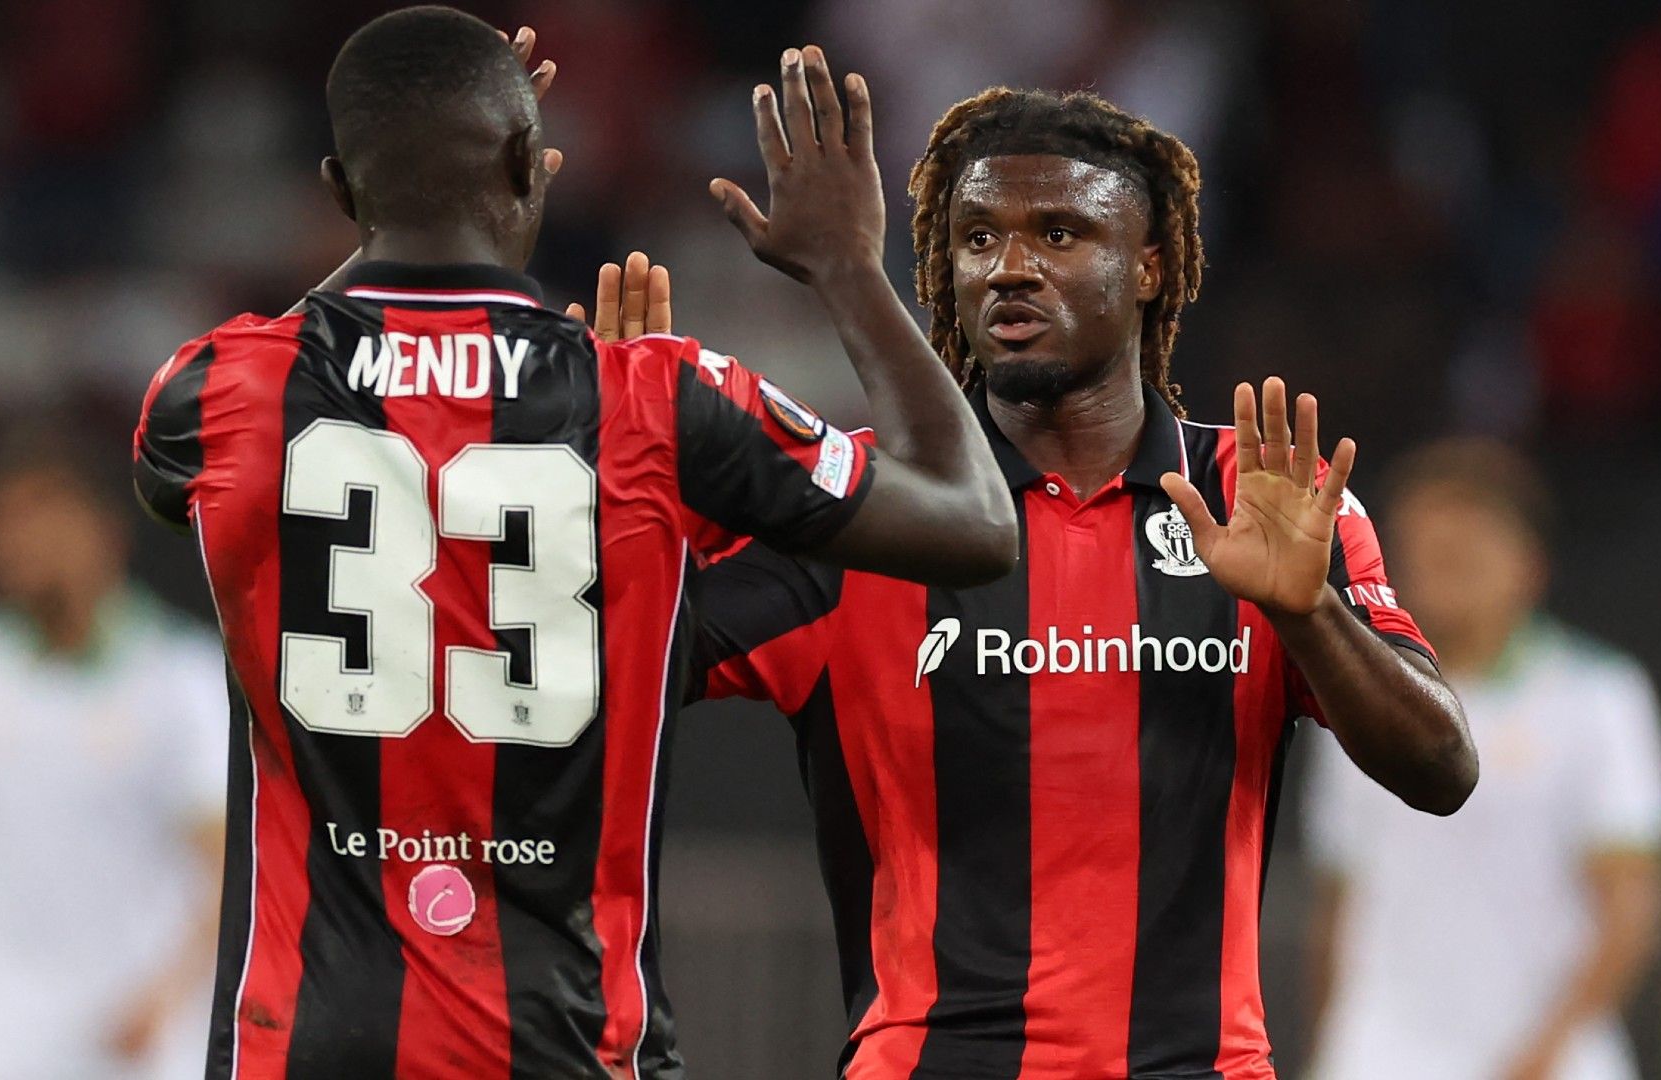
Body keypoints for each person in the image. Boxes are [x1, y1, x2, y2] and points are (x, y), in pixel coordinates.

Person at [131, 10, 1014, 1079]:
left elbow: (202, 439)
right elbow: (974, 522)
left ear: (337, 188)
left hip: (303, 1044)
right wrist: (848, 270)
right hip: (572, 1046)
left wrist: (382, 212)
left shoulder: (221, 389)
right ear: (525, 162)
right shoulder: (655, 397)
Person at [685, 87, 1478, 1078]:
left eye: (1058, 233)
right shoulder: (858, 506)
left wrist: (1306, 607)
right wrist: (631, 488)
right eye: (976, 237)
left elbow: (1442, 770)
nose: (1008, 266)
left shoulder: (1255, 494)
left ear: (1149, 267)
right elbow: (614, 661)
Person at [1303, 439, 1661, 1080]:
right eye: (1426, 553)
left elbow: (1630, 908)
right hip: (1381, 1056)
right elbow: (1340, 902)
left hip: (1550, 1060)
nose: (1442, 571)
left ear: (1528, 566)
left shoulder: (1599, 697)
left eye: (1466, 554)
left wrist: (1544, 1054)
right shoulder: (1348, 699)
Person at [0, 426, 227, 1080]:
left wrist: (170, 992)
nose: (13, 540)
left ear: (104, 527)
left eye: (37, 511)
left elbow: (228, 869)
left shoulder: (183, 677)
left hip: (134, 1035)